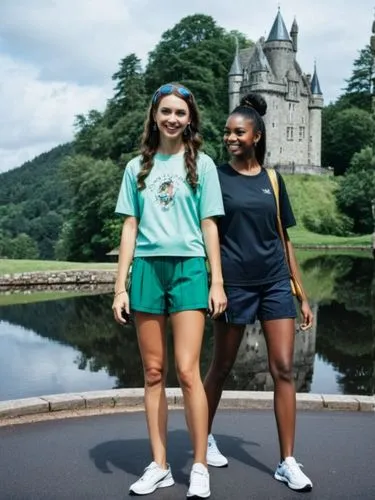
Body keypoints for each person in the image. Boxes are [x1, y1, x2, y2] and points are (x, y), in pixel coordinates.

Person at [112, 82, 227, 498]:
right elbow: (130, 226)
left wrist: (217, 280)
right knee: (154, 373)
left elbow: (209, 224)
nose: (173, 119)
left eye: (180, 112)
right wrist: (119, 286)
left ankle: (198, 466)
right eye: (166, 112)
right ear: (155, 116)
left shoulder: (205, 165)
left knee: (188, 371)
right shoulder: (136, 167)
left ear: (190, 118)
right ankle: (158, 464)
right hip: (146, 270)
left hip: (190, 269)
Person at [203, 93, 314, 492]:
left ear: (257, 135)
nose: (230, 138)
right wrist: (214, 281)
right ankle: (205, 439)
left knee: (283, 368)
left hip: (273, 284)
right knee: (221, 367)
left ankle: (287, 461)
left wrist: (300, 292)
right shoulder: (215, 177)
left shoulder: (273, 179)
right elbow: (207, 230)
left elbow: (284, 239)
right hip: (232, 286)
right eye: (227, 132)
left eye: (238, 132)